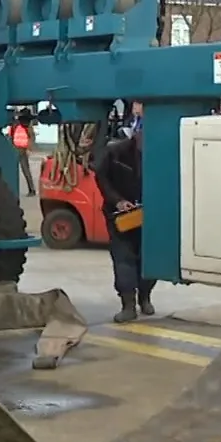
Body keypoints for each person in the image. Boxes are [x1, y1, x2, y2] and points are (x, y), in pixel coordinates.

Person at [94, 118, 154, 323]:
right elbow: (101, 177)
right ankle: (128, 304)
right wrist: (118, 201)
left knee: (149, 258)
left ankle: (145, 297)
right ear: (136, 134)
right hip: (121, 216)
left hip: (150, 215)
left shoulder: (161, 154)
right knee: (123, 258)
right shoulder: (116, 152)